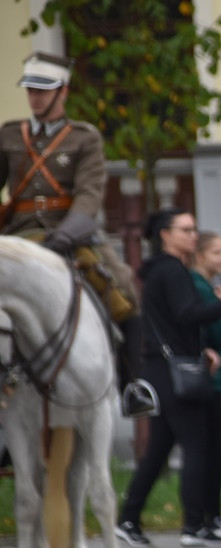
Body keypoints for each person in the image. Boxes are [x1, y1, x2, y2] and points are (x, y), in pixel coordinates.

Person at [0, 51, 157, 418]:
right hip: (18, 237)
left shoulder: (84, 139)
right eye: (31, 90)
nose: (35, 97)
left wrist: (65, 237)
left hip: (67, 236)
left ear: (63, 92)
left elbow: (88, 197)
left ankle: (132, 385)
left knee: (123, 293)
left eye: (44, 90)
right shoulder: (9, 135)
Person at [115, 208, 221, 548]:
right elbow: (187, 314)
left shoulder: (160, 271)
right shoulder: (173, 270)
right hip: (174, 373)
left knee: (159, 450)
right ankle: (193, 526)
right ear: (165, 234)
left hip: (162, 369)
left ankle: (128, 519)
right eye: (186, 230)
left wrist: (200, 349)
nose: (193, 236)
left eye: (194, 230)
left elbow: (170, 323)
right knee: (196, 447)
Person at [191, 232, 221, 540]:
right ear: (200, 255)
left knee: (214, 453)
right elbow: (219, 332)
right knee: (209, 453)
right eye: (217, 253)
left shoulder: (208, 287)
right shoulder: (200, 288)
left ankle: (211, 517)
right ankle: (208, 518)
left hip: (220, 382)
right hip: (212, 382)